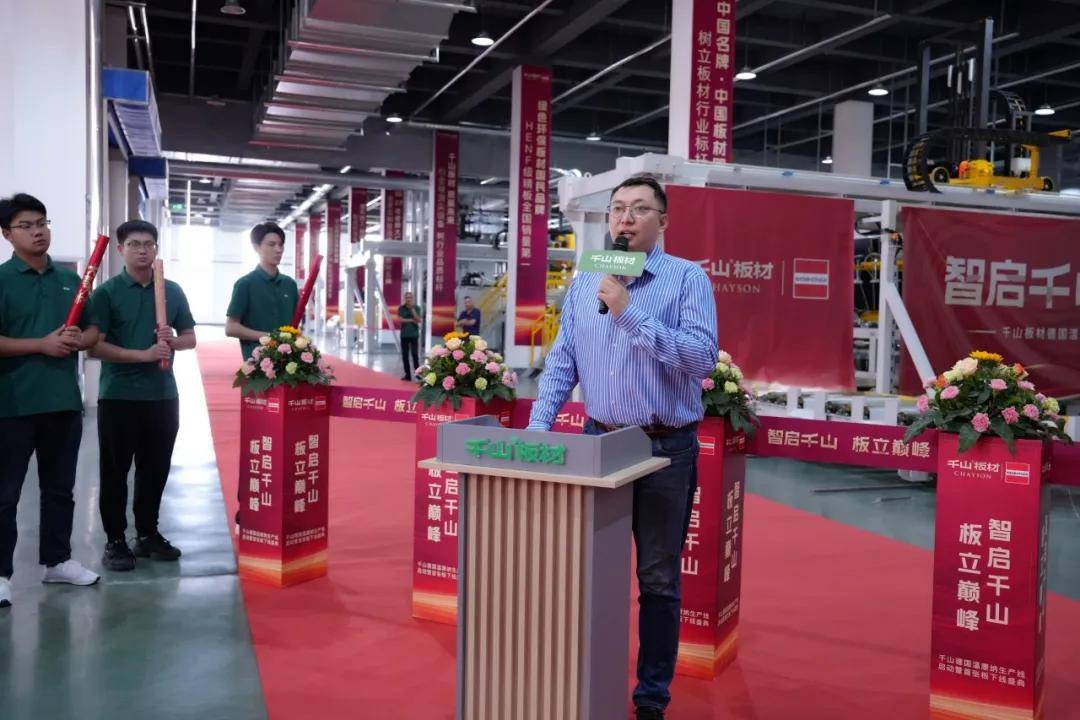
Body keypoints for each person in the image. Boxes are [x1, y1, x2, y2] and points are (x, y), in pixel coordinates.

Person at [525, 176, 717, 720]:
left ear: (663, 221)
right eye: (617, 209)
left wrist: (629, 311)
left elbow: (701, 359)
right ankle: (588, 677)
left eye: (638, 209)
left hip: (663, 449)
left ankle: (651, 695)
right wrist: (539, 428)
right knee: (590, 571)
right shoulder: (589, 278)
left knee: (657, 577)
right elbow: (563, 360)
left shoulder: (687, 279)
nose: (625, 219)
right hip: (599, 442)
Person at [0, 193, 103, 608]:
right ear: (7, 234)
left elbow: (93, 330)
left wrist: (80, 338)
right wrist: (40, 345)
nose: (38, 231)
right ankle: (1, 573)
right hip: (13, 404)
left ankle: (57, 561)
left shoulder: (69, 280)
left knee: (60, 488)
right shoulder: (3, 280)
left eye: (42, 222)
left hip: (63, 401)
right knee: (5, 494)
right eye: (26, 225)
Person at [87, 220, 196, 571]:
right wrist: (142, 355)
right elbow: (94, 347)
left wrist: (172, 341)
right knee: (115, 471)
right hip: (119, 395)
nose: (143, 250)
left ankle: (147, 533)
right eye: (134, 244)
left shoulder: (171, 291)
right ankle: (115, 540)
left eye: (149, 244)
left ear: (156, 249)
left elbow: (190, 338)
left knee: (155, 469)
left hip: (163, 395)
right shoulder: (106, 293)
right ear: (121, 249)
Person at [225, 223, 299, 361]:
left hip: (288, 362)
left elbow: (294, 325)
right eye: (271, 244)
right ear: (256, 247)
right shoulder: (245, 284)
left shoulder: (290, 285)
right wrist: (268, 337)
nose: (278, 249)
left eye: (281, 245)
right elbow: (230, 328)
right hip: (257, 363)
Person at [397, 291, 422, 380]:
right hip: (404, 335)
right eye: (407, 297)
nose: (408, 299)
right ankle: (407, 375)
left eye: (410, 297)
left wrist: (412, 310)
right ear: (405, 298)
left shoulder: (417, 308)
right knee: (405, 356)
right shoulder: (401, 308)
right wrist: (411, 320)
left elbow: (418, 320)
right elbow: (400, 320)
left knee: (415, 355)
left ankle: (418, 374)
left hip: (414, 334)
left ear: (412, 298)